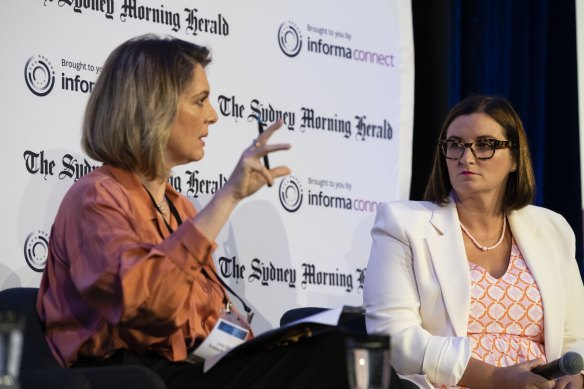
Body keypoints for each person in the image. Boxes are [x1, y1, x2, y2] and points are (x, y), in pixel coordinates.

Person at [36, 34, 368, 389]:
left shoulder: (178, 206)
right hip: (131, 377)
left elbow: (203, 316)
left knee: (348, 346)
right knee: (336, 356)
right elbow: (146, 306)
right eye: (200, 101)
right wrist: (228, 196)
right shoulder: (95, 198)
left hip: (190, 368)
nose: (213, 116)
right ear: (154, 108)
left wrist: (265, 345)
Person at [363, 94, 584, 389]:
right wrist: (492, 378)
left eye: (484, 145)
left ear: (516, 158)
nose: (466, 157)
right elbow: (393, 335)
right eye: (455, 145)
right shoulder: (403, 224)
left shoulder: (552, 229)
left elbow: (576, 334)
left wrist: (575, 372)